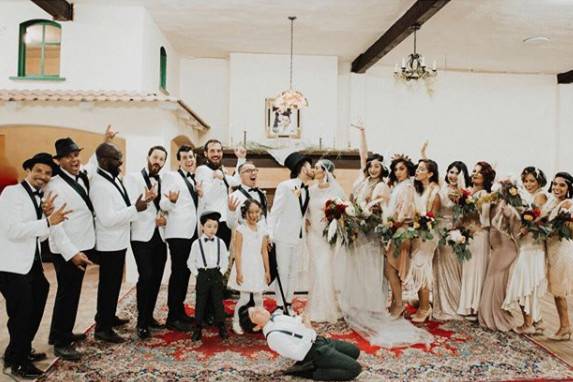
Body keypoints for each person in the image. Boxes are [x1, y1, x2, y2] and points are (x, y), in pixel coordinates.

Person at [0, 153, 70, 379]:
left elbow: (38, 237)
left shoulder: (39, 198)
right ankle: (16, 364)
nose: (43, 176)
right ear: (28, 170)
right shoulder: (12, 193)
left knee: (40, 294)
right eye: (39, 170)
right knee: (21, 312)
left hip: (31, 262)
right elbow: (12, 230)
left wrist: (45, 215)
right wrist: (47, 221)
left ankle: (19, 349)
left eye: (48, 173)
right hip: (11, 264)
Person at [91, 142, 152, 343]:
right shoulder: (99, 185)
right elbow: (107, 219)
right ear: (103, 160)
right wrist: (135, 209)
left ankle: (107, 317)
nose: (121, 162)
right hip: (109, 244)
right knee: (108, 285)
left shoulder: (112, 179)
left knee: (113, 284)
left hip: (117, 241)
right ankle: (103, 328)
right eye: (117, 158)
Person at [238, 303, 362, 381]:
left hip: (319, 341)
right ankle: (312, 372)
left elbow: (296, 322)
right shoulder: (273, 337)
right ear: (256, 327)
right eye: (255, 314)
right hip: (314, 352)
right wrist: (309, 329)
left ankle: (328, 361)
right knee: (354, 369)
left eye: (255, 308)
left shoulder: (276, 316)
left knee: (354, 351)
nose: (259, 309)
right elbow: (298, 354)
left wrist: (302, 317)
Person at [124, 145, 169, 339]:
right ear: (148, 157)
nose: (157, 161)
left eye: (161, 159)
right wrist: (146, 201)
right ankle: (141, 323)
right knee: (146, 276)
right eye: (155, 157)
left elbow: (164, 206)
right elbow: (131, 206)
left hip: (160, 235)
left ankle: (149, 316)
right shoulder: (133, 178)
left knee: (157, 277)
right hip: (141, 236)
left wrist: (163, 216)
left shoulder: (163, 181)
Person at [502, 167, 548, 334]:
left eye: (531, 181)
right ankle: (538, 321)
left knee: (523, 283)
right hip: (526, 246)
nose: (528, 184)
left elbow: (540, 219)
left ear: (539, 181)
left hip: (533, 247)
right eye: (526, 181)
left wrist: (525, 229)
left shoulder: (540, 196)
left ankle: (528, 323)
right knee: (525, 283)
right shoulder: (529, 196)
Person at [160, 145, 200, 332]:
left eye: (191, 156)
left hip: (191, 231)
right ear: (179, 160)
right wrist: (172, 201)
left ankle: (180, 311)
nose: (189, 160)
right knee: (178, 274)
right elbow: (162, 202)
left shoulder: (193, 179)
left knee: (185, 273)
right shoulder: (171, 176)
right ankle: (172, 317)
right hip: (178, 233)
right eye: (184, 157)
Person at [269, 151, 314, 312]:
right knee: (283, 271)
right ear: (302, 168)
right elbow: (275, 212)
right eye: (310, 166)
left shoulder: (307, 189)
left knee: (294, 272)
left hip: (298, 238)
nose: (312, 169)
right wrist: (271, 235)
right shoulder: (285, 186)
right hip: (282, 237)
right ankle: (280, 305)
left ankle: (288, 302)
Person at [304, 159, 344, 323]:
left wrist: (334, 226)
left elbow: (342, 214)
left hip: (328, 236)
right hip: (313, 235)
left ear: (326, 171)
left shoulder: (335, 191)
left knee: (324, 268)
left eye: (318, 168)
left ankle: (327, 308)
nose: (315, 170)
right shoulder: (310, 190)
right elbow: (305, 210)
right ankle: (316, 306)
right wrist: (306, 220)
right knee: (316, 269)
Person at [433, 161, 471, 321]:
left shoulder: (465, 195)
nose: (453, 176)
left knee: (456, 270)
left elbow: (467, 217)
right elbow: (434, 215)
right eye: (451, 172)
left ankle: (456, 305)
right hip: (441, 234)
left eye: (457, 173)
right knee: (442, 269)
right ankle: (443, 306)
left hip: (458, 234)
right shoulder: (440, 192)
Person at [457, 161, 495, 320]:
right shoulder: (468, 193)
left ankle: (476, 306)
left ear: (485, 177)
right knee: (467, 270)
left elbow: (484, 219)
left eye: (479, 172)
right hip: (467, 234)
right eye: (473, 171)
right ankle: (466, 305)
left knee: (477, 269)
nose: (475, 174)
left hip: (479, 235)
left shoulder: (486, 195)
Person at [228, 199, 271, 334]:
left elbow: (264, 251)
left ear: (260, 212)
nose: (253, 215)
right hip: (245, 266)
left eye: (256, 212)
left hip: (257, 266)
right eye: (250, 212)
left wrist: (267, 270)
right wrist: (239, 271)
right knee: (245, 298)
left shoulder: (263, 230)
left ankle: (260, 322)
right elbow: (238, 252)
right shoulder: (241, 229)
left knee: (258, 298)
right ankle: (236, 322)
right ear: (245, 213)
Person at [407, 159, 441, 323]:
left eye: (421, 169)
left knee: (422, 267)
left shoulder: (435, 192)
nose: (417, 171)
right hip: (417, 233)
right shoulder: (420, 189)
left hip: (427, 236)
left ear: (430, 173)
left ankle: (425, 308)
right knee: (416, 267)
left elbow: (432, 217)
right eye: (418, 169)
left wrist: (420, 222)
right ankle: (422, 303)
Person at [195, 139, 246, 247]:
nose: (216, 154)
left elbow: (236, 181)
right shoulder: (202, 170)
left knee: (223, 258)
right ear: (205, 153)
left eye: (218, 151)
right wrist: (217, 179)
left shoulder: (220, 170)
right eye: (212, 151)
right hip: (210, 222)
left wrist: (240, 159)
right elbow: (206, 198)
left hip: (225, 221)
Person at [188, 211, 229, 341]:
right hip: (203, 275)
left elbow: (225, 260)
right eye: (209, 226)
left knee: (218, 302)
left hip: (216, 274)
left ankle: (221, 326)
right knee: (201, 302)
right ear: (202, 227)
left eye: (215, 226)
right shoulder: (196, 244)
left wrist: (221, 272)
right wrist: (197, 274)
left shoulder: (220, 243)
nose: (212, 229)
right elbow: (190, 262)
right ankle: (198, 328)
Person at [544, 172, 573, 341]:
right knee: (557, 290)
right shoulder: (552, 202)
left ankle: (565, 327)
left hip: (562, 249)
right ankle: (565, 325)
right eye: (555, 184)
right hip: (552, 248)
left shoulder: (568, 204)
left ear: (569, 187)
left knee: (559, 289)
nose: (557, 187)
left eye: (562, 185)